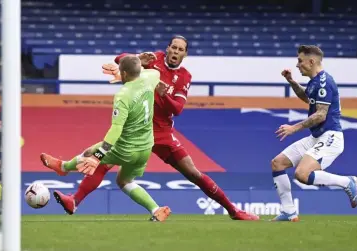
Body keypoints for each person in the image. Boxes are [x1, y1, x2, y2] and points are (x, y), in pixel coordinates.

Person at [50, 35, 259, 221]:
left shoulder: (184, 77)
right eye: (173, 47)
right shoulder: (154, 59)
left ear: (185, 54)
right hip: (136, 129)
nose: (176, 52)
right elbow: (120, 60)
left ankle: (233, 210)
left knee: (193, 173)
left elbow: (177, 109)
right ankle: (74, 200)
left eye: (180, 49)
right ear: (167, 49)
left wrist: (163, 93)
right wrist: (139, 58)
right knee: (103, 165)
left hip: (162, 132)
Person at [41, 55, 171, 221]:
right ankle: (156, 209)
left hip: (125, 148)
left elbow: (116, 129)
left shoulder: (123, 95)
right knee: (125, 181)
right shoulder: (151, 77)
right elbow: (148, 72)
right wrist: (135, 64)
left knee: (90, 154)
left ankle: (64, 167)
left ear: (123, 73)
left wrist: (99, 156)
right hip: (145, 148)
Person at [271, 45, 357, 222]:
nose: (297, 65)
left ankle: (347, 182)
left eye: (300, 60)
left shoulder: (324, 82)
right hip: (317, 137)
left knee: (302, 174)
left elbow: (321, 115)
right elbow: (307, 97)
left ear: (311, 61)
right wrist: (292, 81)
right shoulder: (315, 82)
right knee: (278, 163)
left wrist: (294, 128)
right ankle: (289, 212)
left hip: (331, 137)